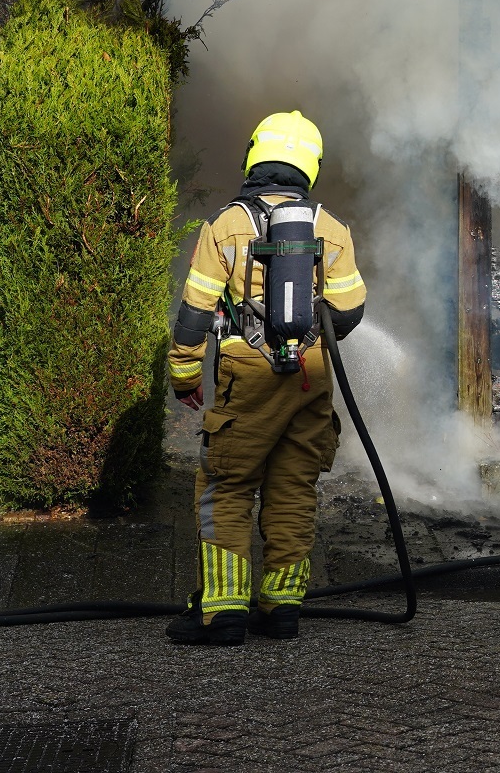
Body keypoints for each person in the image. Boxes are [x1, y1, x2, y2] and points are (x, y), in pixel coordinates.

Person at [164, 110, 366, 646]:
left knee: (227, 486)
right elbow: (349, 311)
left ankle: (223, 612)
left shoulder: (225, 227)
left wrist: (185, 377)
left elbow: (193, 312)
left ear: (255, 154)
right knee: (293, 488)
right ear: (310, 165)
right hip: (310, 377)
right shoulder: (332, 228)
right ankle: (282, 609)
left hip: (244, 380)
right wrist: (307, 337)